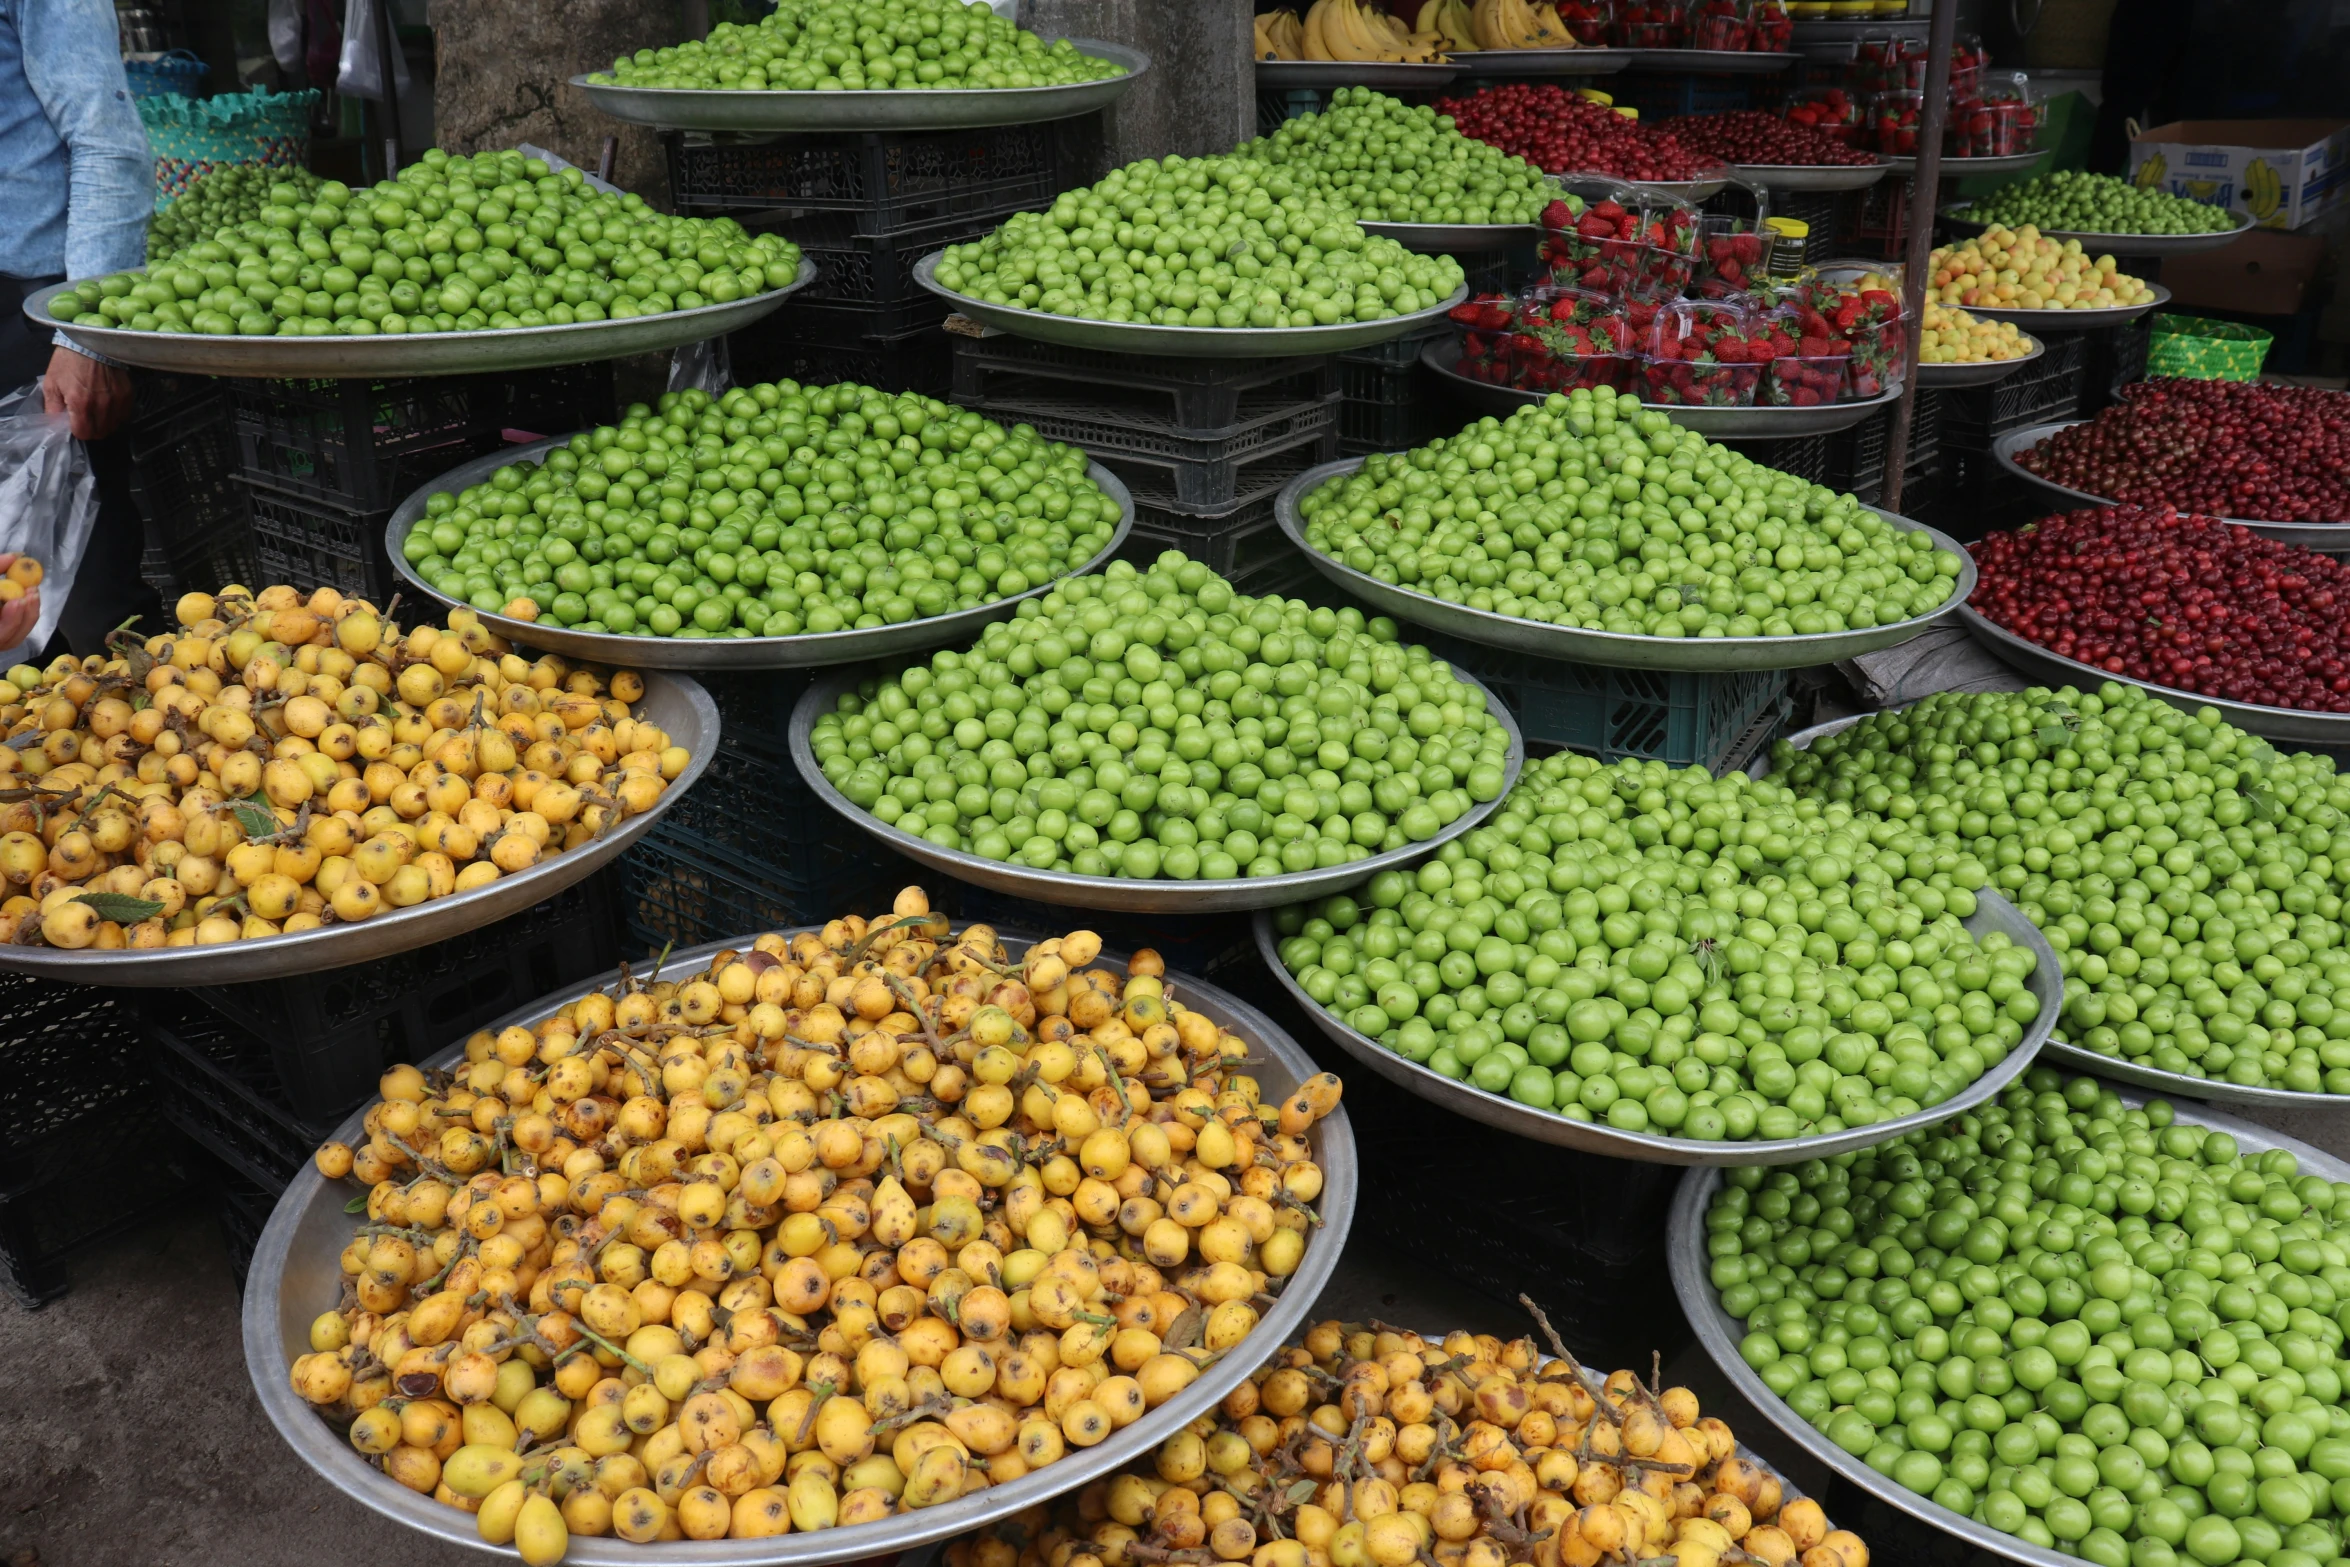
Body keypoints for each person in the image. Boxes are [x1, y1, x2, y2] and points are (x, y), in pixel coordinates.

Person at [1, 0, 162, 654]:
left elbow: (107, 137)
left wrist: (85, 333)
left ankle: (153, 743)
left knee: (87, 600)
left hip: (31, 309)